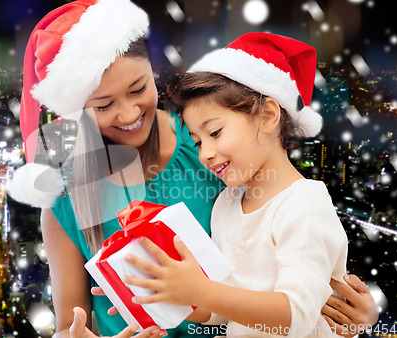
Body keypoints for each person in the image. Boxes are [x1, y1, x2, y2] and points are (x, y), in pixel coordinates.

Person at [6, 0, 379, 336]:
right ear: (77, 110)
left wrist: (346, 311)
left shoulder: (211, 144)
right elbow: (71, 324)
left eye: (138, 89)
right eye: (103, 105)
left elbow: (289, 259)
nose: (129, 113)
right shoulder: (67, 192)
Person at [121, 33, 378, 337]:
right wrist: (167, 291)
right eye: (197, 141)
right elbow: (223, 307)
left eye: (215, 132)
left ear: (268, 115)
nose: (206, 154)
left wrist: (202, 291)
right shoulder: (226, 205)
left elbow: (297, 317)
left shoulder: (303, 205)